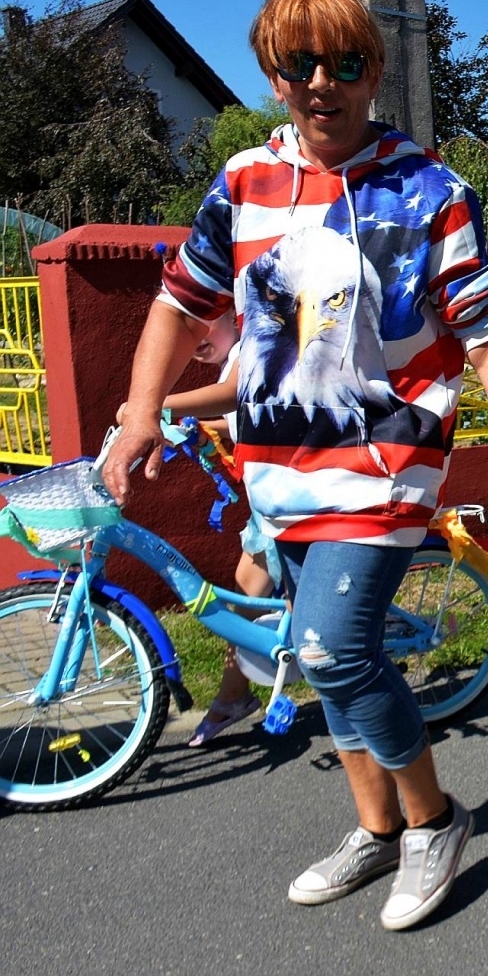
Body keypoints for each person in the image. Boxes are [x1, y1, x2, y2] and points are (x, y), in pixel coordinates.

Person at [103, 0, 488, 932]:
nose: (324, 81)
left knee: (331, 645)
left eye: (345, 62)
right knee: (325, 661)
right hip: (276, 468)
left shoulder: (430, 189)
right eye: (300, 63)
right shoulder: (243, 184)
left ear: (375, 72)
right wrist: (145, 406)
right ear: (275, 77)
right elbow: (178, 304)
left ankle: (435, 822)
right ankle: (375, 829)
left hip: (389, 464)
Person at [123, 313, 275, 746]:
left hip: (289, 488)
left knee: (250, 590)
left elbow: (233, 394)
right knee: (250, 587)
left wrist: (152, 406)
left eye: (203, 322)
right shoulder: (235, 358)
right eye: (187, 329)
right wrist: (200, 429)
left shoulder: (252, 347)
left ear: (235, 311)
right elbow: (242, 416)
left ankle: (234, 697)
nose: (196, 338)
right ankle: (236, 695)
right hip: (269, 491)